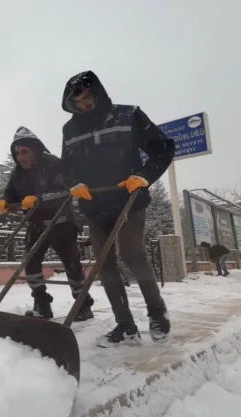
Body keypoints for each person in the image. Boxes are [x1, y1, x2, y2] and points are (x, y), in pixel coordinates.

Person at [60, 70, 175, 347]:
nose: (83, 105)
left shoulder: (128, 115)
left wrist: (144, 176)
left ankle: (157, 313)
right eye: (77, 102)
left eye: (87, 98)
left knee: (132, 255)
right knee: (104, 264)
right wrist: (73, 183)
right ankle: (126, 326)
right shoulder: (70, 130)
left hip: (128, 199)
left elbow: (162, 148)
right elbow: (65, 168)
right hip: (94, 204)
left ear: (98, 95)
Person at [0, 126, 95, 321]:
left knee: (72, 266)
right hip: (35, 224)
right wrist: (5, 202)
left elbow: (66, 191)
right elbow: (11, 193)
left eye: (24, 151)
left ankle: (83, 305)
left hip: (62, 223)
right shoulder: (18, 173)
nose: (21, 157)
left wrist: (39, 198)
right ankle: (42, 304)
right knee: (31, 264)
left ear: (35, 150)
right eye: (17, 153)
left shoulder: (54, 164)